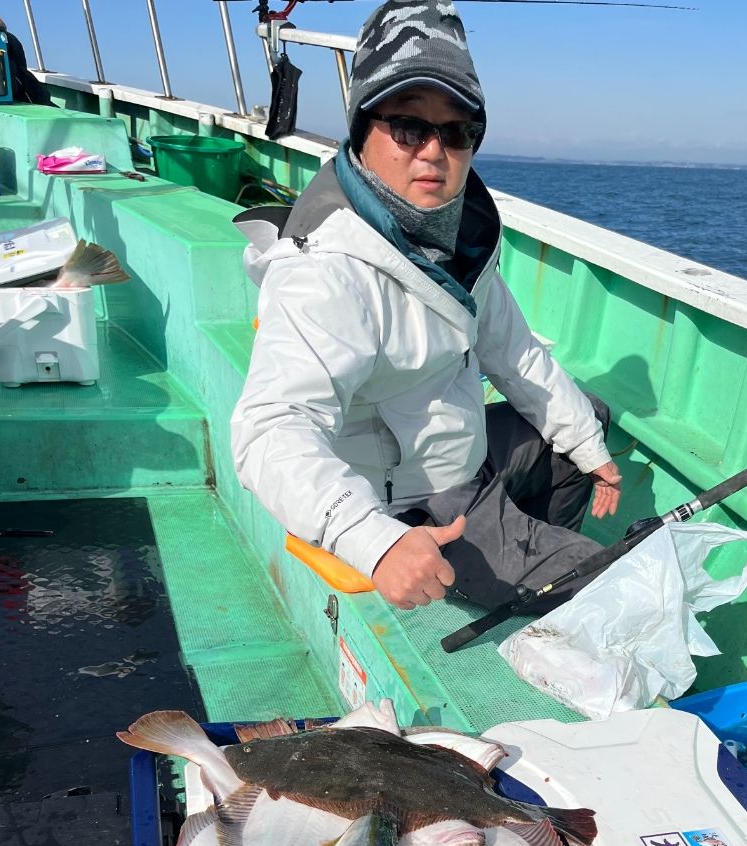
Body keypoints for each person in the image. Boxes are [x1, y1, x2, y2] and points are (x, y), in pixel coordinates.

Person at [231, 0, 621, 612]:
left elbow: (512, 350)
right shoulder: (326, 272)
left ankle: (521, 569)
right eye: (410, 127)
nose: (434, 151)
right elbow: (269, 429)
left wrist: (589, 448)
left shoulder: (457, 233)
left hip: (458, 450)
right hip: (412, 500)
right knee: (608, 585)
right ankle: (511, 576)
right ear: (363, 128)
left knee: (589, 423)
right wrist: (374, 541)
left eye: (458, 131)